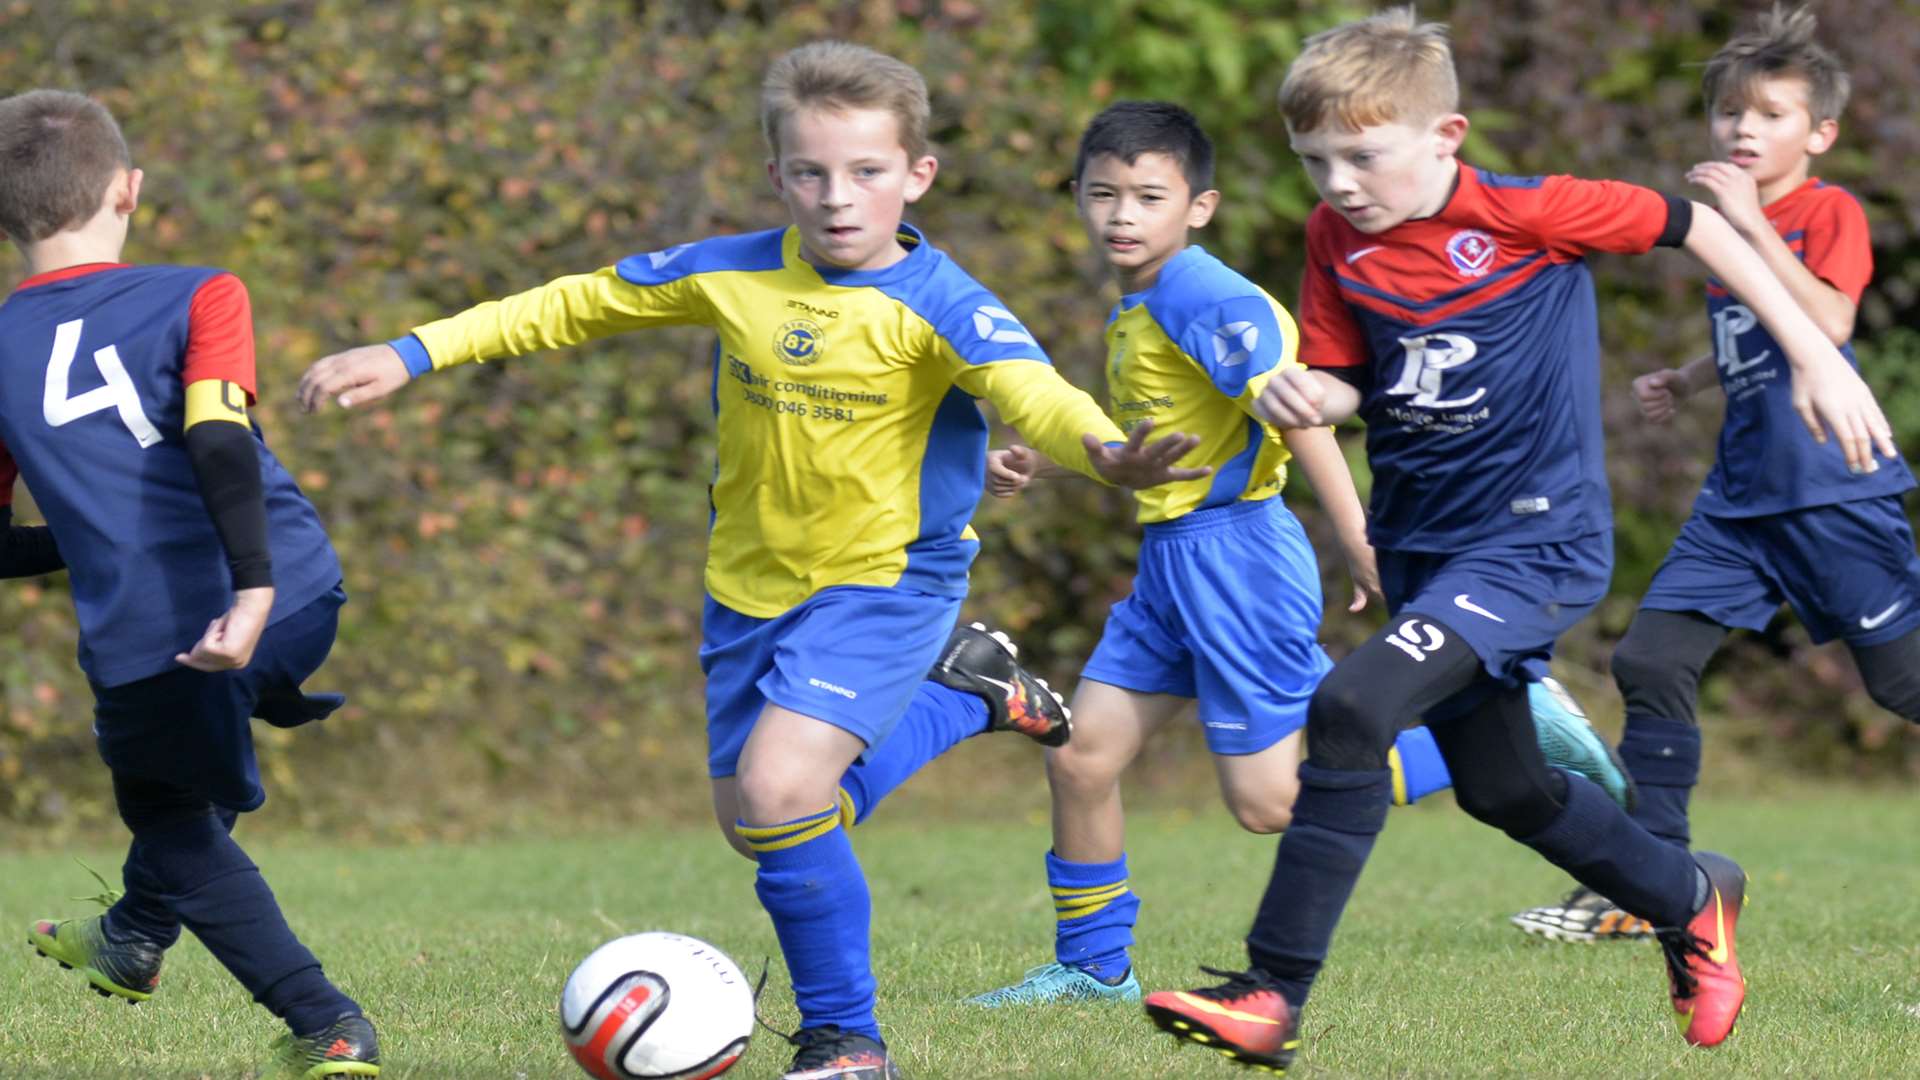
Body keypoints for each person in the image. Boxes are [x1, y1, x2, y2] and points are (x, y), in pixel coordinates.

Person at [295, 41, 1204, 1080]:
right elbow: (573, 303)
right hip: (748, 590)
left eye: (866, 172)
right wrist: (410, 351)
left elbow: (1034, 392)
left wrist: (1105, 454)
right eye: (811, 172)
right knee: (761, 825)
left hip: (888, 582)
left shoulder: (946, 302)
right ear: (778, 176)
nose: (836, 196)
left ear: (918, 177)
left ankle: (845, 1043)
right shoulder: (732, 273)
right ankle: (969, 692)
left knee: (780, 794)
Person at [1137, 8, 1898, 1070]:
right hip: (1422, 546)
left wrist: (1813, 356)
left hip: (1535, 543)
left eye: (1363, 155)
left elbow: (1701, 226)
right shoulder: (1334, 238)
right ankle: (1692, 895)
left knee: (1351, 708)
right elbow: (1354, 370)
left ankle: (1273, 991)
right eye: (1315, 161)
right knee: (1505, 790)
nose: (1340, 182)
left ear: (1445, 138)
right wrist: (1318, 391)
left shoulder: (1534, 212)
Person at [960, 100, 1634, 1009]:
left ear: (1199, 206)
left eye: (1148, 196)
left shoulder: (1209, 296)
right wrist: (1049, 458)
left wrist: (1362, 540)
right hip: (1171, 562)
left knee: (1271, 804)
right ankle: (1092, 968)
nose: (1122, 215)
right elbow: (1167, 434)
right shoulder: (1146, 301)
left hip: (1235, 560)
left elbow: (1302, 414)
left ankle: (1499, 725)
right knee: (1081, 759)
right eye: (1102, 194)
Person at [1512, 2, 1920, 944]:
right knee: (1649, 659)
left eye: (1770, 114)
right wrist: (1691, 378)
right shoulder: (1723, 233)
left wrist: (1743, 226)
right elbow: (1759, 338)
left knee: (1903, 688)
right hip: (1740, 502)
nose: (1743, 129)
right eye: (1730, 114)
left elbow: (1828, 324)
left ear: (1820, 133)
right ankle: (1656, 886)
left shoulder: (1826, 212)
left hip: (1833, 494)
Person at [0, 90, 379, 1078]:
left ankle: (327, 1022)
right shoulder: (204, 291)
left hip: (163, 637)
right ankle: (130, 938)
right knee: (183, 784)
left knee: (172, 821)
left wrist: (89, 546)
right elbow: (216, 432)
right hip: (298, 588)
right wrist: (257, 591)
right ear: (128, 189)